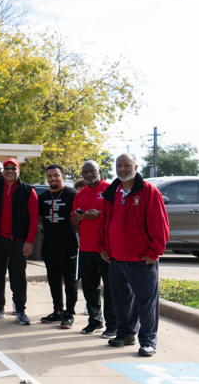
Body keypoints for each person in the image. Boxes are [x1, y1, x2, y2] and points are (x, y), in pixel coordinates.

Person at [97, 153, 169, 357]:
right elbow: (104, 222)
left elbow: (160, 224)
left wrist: (154, 253)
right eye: (119, 165)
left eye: (127, 165)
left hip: (141, 259)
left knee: (146, 303)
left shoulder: (149, 191)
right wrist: (102, 245)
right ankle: (125, 333)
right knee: (119, 300)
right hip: (116, 258)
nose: (122, 169)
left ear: (136, 166)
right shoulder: (113, 192)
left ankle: (148, 341)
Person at [0, 157, 39, 325]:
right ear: (3, 171)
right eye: (6, 168)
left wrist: (29, 242)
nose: (9, 171)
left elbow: (33, 217)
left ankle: (21, 310)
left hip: (19, 241)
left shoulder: (29, 190)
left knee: (19, 276)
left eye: (13, 169)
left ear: (18, 171)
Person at [71, 160, 116, 337]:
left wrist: (100, 215)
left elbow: (118, 214)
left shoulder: (110, 189)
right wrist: (78, 217)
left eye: (92, 171)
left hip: (106, 247)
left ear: (100, 171)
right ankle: (95, 320)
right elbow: (73, 222)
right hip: (86, 247)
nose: (89, 174)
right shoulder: (80, 194)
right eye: (85, 172)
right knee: (90, 287)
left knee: (110, 287)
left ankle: (113, 324)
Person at [38, 164, 79, 328]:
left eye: (56, 175)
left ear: (62, 176)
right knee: (53, 280)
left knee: (70, 281)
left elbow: (77, 219)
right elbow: (41, 219)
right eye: (50, 176)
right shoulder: (42, 197)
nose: (53, 178)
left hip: (68, 244)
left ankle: (69, 314)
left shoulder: (72, 194)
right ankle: (58, 311)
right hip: (49, 244)